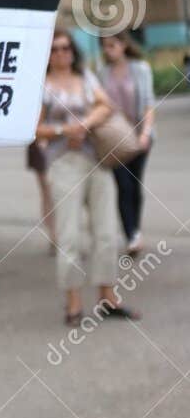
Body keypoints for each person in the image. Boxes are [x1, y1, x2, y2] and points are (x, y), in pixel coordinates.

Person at [34, 30, 138, 327]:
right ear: (47, 54)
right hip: (63, 162)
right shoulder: (42, 86)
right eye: (54, 49)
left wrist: (84, 124)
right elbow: (34, 127)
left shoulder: (86, 78)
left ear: (73, 51)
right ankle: (73, 301)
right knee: (70, 235)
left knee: (106, 231)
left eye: (66, 48)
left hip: (97, 160)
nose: (61, 54)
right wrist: (64, 131)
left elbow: (106, 105)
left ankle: (107, 297)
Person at [98, 31, 155, 255]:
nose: (108, 50)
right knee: (124, 185)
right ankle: (131, 235)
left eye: (112, 45)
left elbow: (149, 104)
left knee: (136, 186)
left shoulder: (140, 68)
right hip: (114, 138)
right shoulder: (102, 73)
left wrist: (146, 134)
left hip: (139, 135)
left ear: (123, 45)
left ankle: (136, 230)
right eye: (104, 46)